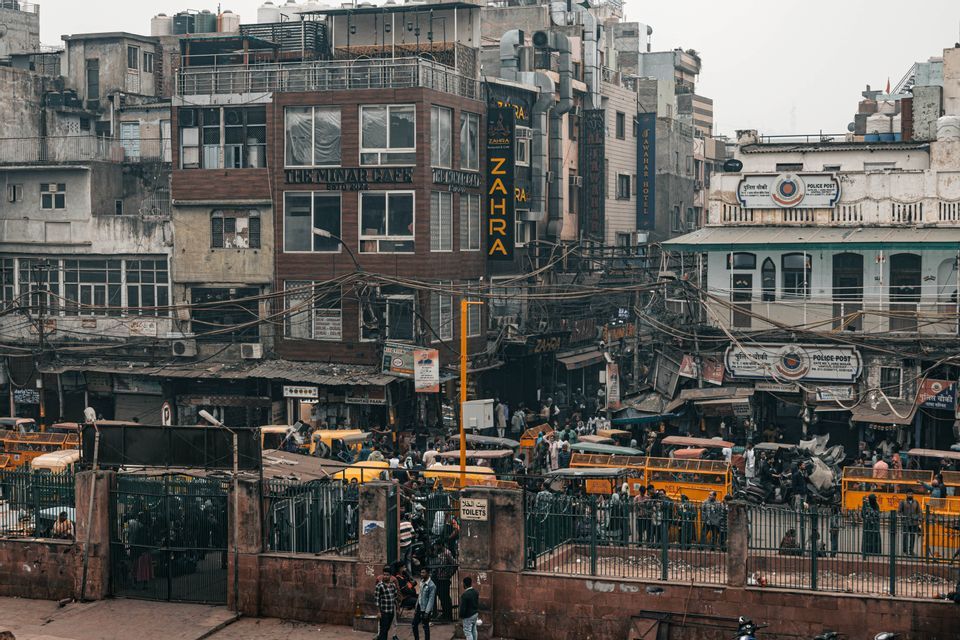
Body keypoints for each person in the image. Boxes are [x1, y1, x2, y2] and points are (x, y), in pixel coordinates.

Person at [375, 566, 400, 640]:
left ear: (390, 576)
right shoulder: (379, 586)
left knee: (386, 629)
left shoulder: (393, 585)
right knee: (383, 629)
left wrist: (397, 608)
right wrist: (378, 612)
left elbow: (395, 598)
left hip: (391, 611)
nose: (385, 576)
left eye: (387, 575)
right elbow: (376, 600)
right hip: (383, 612)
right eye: (384, 575)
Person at [412, 567, 436, 640]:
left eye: (423, 572)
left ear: (428, 574)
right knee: (414, 624)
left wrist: (427, 612)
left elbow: (431, 600)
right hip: (419, 606)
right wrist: (416, 606)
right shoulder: (422, 582)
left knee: (425, 627)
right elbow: (420, 595)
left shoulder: (432, 585)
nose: (421, 574)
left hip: (426, 609)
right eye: (421, 572)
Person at [898, 490, 921, 556]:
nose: (910, 495)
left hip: (914, 523)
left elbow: (919, 512)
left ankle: (911, 551)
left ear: (913, 494)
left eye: (911, 494)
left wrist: (918, 518)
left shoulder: (916, 502)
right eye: (909, 494)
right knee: (905, 536)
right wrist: (903, 517)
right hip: (906, 522)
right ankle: (905, 551)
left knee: (912, 537)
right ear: (906, 494)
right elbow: (899, 512)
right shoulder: (902, 502)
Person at [460, 576, 480, 640]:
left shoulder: (465, 595)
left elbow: (463, 608)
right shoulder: (475, 592)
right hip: (475, 613)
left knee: (468, 632)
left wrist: (461, 616)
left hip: (468, 616)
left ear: (464, 584)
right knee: (474, 630)